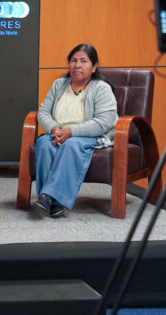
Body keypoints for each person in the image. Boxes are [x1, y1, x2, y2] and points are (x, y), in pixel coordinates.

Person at [34, 44, 118, 218]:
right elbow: (43, 112)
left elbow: (104, 122)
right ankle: (54, 203)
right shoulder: (59, 84)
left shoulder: (101, 87)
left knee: (71, 145)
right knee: (43, 143)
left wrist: (70, 132)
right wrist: (55, 129)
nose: (77, 65)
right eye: (73, 61)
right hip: (59, 133)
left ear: (94, 67)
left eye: (83, 61)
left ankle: (47, 195)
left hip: (89, 135)